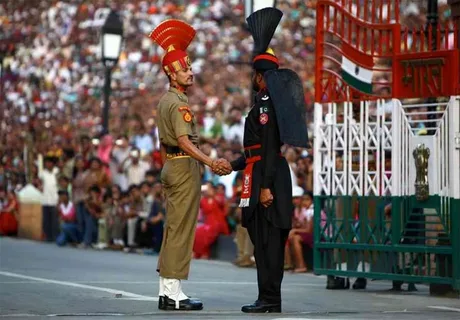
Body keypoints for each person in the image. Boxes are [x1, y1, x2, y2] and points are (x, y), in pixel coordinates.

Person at [228, 8, 309, 313]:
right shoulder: (266, 104)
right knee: (263, 241)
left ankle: (270, 298)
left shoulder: (265, 105)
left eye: (255, 75)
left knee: (269, 242)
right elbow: (254, 151)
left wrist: (264, 187)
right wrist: (231, 166)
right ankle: (267, 297)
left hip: (267, 177)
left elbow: (269, 147)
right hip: (261, 172)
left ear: (261, 77)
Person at [149, 19, 232, 311]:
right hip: (183, 168)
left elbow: (163, 143)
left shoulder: (163, 101)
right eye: (185, 68)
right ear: (172, 75)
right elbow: (184, 142)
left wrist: (165, 169)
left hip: (171, 166)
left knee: (173, 228)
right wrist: (210, 162)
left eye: (190, 67)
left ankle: (165, 290)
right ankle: (173, 293)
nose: (191, 72)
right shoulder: (179, 104)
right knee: (182, 230)